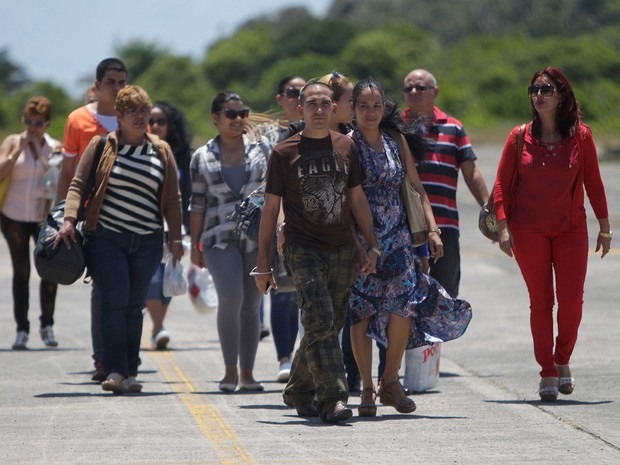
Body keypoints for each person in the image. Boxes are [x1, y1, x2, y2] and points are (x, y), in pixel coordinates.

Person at [254, 82, 380, 423]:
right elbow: (269, 209)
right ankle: (333, 399)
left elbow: (356, 198)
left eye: (326, 103)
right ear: (301, 110)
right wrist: (263, 264)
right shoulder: (284, 153)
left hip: (341, 248)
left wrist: (371, 245)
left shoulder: (346, 146)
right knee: (320, 318)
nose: (320, 109)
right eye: (312, 104)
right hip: (301, 246)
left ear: (335, 108)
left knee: (326, 324)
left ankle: (297, 389)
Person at [348, 77, 473, 417]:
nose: (370, 112)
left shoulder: (395, 139)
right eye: (363, 106)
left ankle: (390, 381)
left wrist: (432, 230)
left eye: (376, 106)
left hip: (399, 238)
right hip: (361, 239)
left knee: (404, 306)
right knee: (360, 311)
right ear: (352, 110)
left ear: (383, 108)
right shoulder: (346, 144)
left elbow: (415, 188)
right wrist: (360, 244)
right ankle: (366, 388)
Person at [54, 85, 183, 394]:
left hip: (148, 241)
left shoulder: (161, 150)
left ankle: (131, 371)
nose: (141, 117)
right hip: (107, 238)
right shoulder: (102, 146)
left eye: (144, 112)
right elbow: (77, 184)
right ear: (119, 116)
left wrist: (176, 238)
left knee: (133, 306)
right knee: (114, 303)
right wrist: (68, 219)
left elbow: (173, 200)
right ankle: (114, 370)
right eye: (133, 112)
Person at [494, 67, 611, 402]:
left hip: (570, 229)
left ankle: (562, 359)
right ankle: (547, 370)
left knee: (572, 301)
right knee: (541, 303)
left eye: (546, 89)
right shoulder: (518, 136)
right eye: (534, 89)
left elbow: (594, 183)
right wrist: (503, 227)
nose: (539, 95)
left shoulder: (582, 136)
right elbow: (501, 184)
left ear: (562, 95)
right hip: (528, 229)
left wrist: (604, 227)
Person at [189, 91, 269, 393]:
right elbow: (196, 205)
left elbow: (273, 195)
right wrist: (194, 246)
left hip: (256, 236)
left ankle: (247, 373)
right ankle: (229, 371)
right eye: (231, 114)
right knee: (231, 298)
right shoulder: (201, 156)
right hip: (217, 237)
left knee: (252, 303)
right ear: (215, 118)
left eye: (242, 113)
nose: (238, 120)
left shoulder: (261, 151)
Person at [56, 57, 128, 382]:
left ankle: (120, 357)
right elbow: (68, 171)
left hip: (129, 215)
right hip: (92, 217)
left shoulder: (132, 120)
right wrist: (61, 213)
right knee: (102, 289)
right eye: (111, 82)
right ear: (97, 86)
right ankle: (104, 359)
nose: (117, 88)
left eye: (122, 82)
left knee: (126, 292)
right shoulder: (77, 120)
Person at [402, 68, 489, 298]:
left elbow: (471, 173)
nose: (413, 92)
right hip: (405, 227)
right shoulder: (396, 128)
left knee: (445, 295)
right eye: (408, 88)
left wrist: (488, 207)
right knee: (406, 298)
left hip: (445, 226)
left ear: (435, 91)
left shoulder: (454, 127)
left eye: (420, 87)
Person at [255, 75, 307, 382]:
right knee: (283, 295)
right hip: (278, 222)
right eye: (291, 93)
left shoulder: (319, 131)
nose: (297, 98)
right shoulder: (265, 136)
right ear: (280, 99)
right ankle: (284, 358)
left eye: (303, 93)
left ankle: (305, 357)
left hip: (311, 223)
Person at [0, 97, 61, 350]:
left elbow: (56, 179)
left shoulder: (55, 147)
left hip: (41, 217)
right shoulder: (13, 141)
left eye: (37, 123)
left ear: (47, 124)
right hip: (13, 214)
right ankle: (21, 330)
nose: (31, 127)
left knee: (48, 268)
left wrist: (39, 152)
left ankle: (47, 324)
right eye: (27, 121)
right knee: (21, 271)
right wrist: (18, 152)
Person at [144, 101, 193, 350]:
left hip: (174, 229)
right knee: (151, 280)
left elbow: (189, 196)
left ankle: (155, 326)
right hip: (146, 226)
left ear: (170, 125)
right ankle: (159, 327)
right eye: (150, 120)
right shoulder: (139, 150)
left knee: (167, 283)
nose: (154, 125)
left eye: (160, 121)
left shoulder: (183, 156)